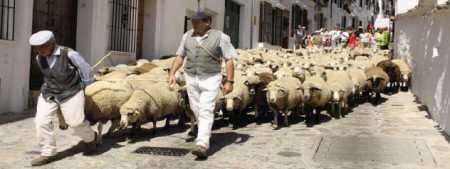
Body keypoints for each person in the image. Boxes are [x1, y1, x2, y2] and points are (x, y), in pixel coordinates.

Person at [167, 11, 237, 159]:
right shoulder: (187, 36)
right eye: (193, 21)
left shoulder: (220, 37)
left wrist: (229, 81)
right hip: (191, 76)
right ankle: (206, 133)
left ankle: (202, 144)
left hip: (211, 77)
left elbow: (229, 59)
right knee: (195, 108)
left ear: (208, 22)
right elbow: (180, 56)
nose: (194, 24)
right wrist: (172, 73)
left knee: (206, 108)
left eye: (198, 21)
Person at [29, 30, 97, 166]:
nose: (40, 50)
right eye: (37, 47)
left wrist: (86, 86)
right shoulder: (39, 58)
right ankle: (48, 152)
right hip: (49, 92)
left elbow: (86, 69)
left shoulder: (69, 54)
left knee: (76, 122)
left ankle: (91, 138)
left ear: (53, 42)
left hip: (71, 91)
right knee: (41, 121)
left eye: (43, 46)